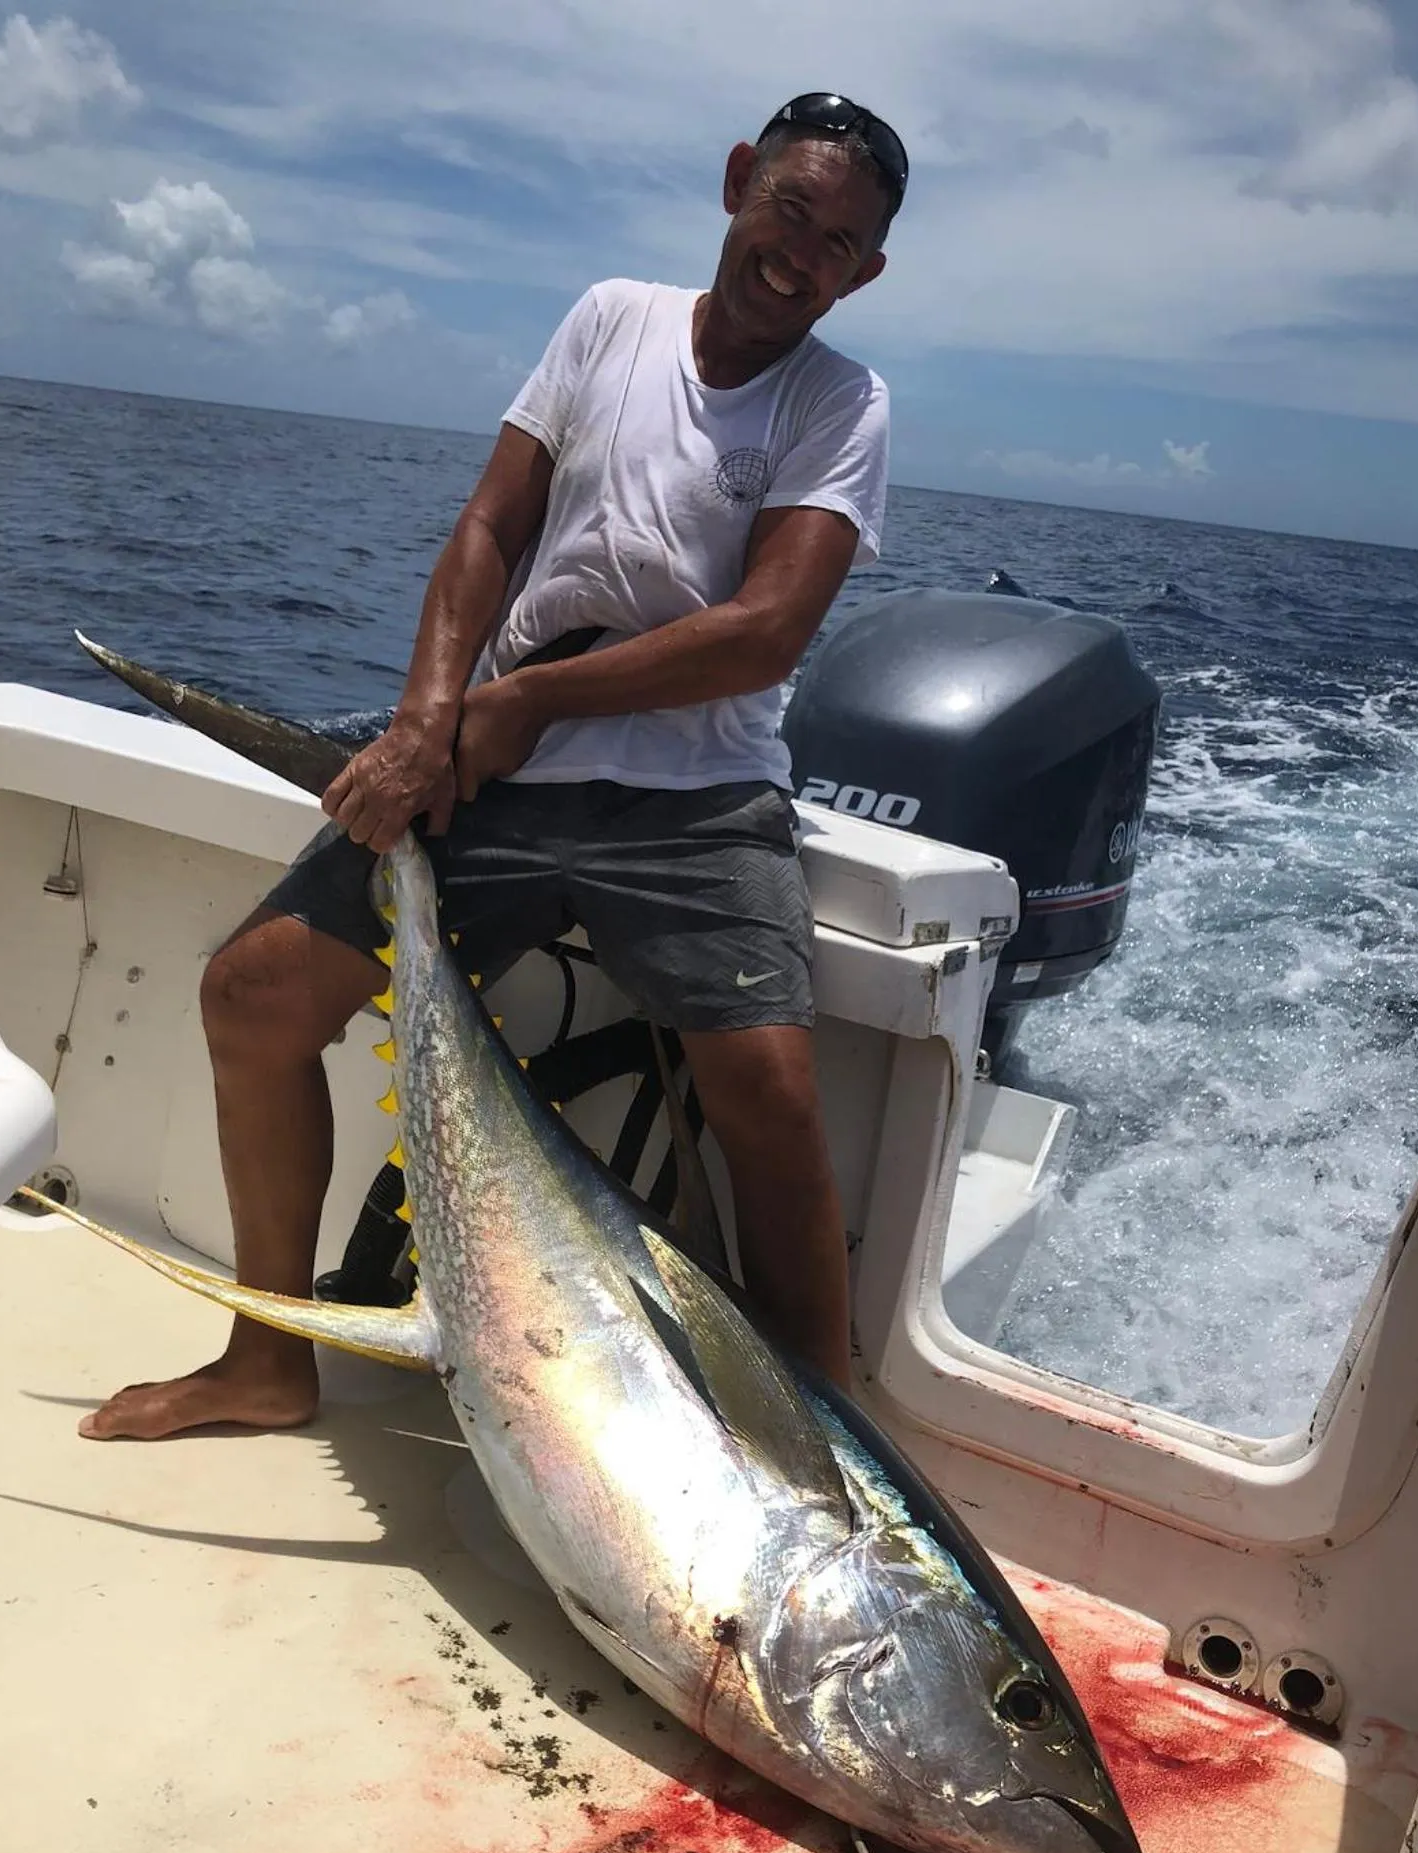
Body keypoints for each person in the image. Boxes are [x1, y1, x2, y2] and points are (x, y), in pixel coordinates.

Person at [81, 92, 907, 1441]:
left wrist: (522, 700)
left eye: (837, 244)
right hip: (492, 775)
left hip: (696, 803)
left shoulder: (843, 403)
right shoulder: (607, 320)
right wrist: (428, 717)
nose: (798, 254)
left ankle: (833, 1442)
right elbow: (488, 525)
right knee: (252, 995)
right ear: (737, 180)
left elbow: (767, 633)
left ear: (865, 273)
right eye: (788, 212)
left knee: (768, 1093)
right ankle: (265, 1359)